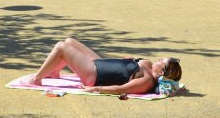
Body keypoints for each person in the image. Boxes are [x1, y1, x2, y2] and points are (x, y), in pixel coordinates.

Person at [23, 38, 182, 96]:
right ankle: (55, 72)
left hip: (94, 75)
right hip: (101, 64)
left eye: (162, 60)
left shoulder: (146, 81)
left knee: (61, 47)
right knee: (70, 41)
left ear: (161, 71)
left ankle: (37, 79)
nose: (159, 58)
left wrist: (96, 89)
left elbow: (121, 89)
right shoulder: (147, 64)